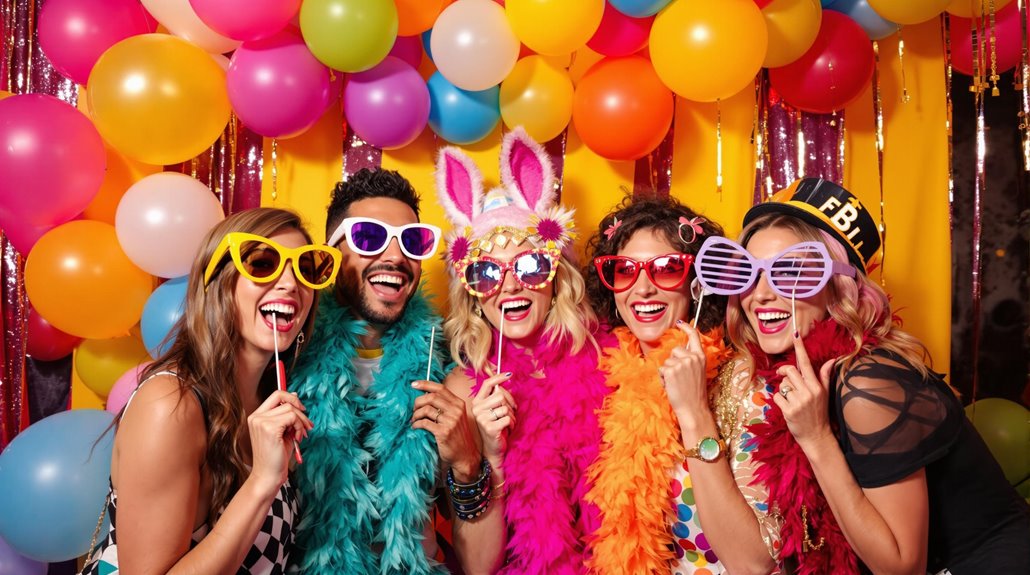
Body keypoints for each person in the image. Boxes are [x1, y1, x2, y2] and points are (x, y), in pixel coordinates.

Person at [710, 178, 1030, 574]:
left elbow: (901, 567)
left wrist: (815, 438)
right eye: (750, 272)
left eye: (791, 273)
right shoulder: (793, 372)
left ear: (839, 287)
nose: (761, 294)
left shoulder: (869, 383)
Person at [81, 207, 337, 574]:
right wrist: (263, 481)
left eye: (305, 269)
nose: (290, 284)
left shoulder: (271, 402)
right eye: (263, 264)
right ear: (218, 280)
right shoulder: (171, 404)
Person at [436, 127, 611, 574]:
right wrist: (491, 456)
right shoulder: (461, 392)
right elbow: (477, 565)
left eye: (530, 265)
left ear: (557, 275)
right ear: (472, 293)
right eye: (487, 273)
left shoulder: (614, 360)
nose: (510, 285)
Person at [288, 168, 478, 574]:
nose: (394, 257)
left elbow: (477, 555)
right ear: (331, 255)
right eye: (369, 238)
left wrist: (467, 464)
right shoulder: (285, 355)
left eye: (412, 241)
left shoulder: (447, 364)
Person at [585, 196, 762, 575]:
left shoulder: (742, 383)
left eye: (666, 269)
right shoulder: (599, 384)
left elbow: (754, 564)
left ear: (697, 284)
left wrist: (695, 412)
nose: (643, 288)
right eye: (624, 270)